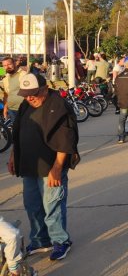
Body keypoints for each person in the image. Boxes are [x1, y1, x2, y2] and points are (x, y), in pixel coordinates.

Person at [8, 73, 78, 261]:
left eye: (34, 93)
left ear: (45, 88)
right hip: (29, 165)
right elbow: (18, 132)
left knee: (52, 206)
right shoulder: (25, 105)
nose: (30, 98)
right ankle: (41, 241)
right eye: (26, 94)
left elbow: (66, 139)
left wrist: (57, 168)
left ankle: (60, 241)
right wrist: (14, 155)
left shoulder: (58, 105)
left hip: (51, 167)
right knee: (32, 205)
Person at [2, 56, 26, 123]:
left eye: (9, 64)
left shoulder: (24, 75)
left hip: (23, 109)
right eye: (5, 65)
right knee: (15, 130)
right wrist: (5, 109)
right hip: (11, 110)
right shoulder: (5, 78)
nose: (7, 67)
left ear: (15, 64)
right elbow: (6, 94)